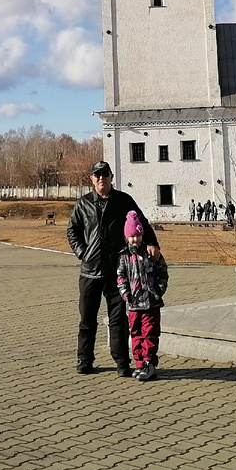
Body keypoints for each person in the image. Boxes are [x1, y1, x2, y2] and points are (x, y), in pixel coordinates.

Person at [67, 161, 159, 376]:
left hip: (117, 272)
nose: (101, 178)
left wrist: (153, 244)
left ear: (111, 177)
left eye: (105, 174)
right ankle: (84, 360)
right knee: (87, 320)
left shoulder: (123, 201)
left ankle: (121, 362)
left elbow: (142, 224)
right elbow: (73, 230)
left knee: (118, 320)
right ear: (91, 179)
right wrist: (83, 252)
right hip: (90, 272)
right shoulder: (83, 204)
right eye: (97, 175)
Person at [116, 211, 169, 381]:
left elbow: (163, 272)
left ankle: (149, 363)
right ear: (126, 237)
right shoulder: (124, 256)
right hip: (133, 304)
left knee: (150, 334)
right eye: (132, 236)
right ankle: (140, 363)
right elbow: (121, 277)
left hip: (151, 303)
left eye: (138, 235)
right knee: (136, 333)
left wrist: (159, 290)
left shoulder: (150, 254)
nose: (135, 240)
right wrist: (126, 294)